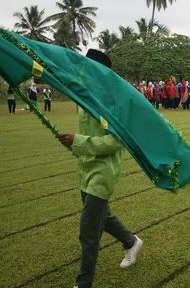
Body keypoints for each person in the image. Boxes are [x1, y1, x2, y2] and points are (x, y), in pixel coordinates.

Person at [56, 49, 142, 288]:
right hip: (86, 167)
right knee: (101, 217)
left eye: (87, 68)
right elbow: (86, 135)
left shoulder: (114, 102)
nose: (83, 71)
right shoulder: (84, 99)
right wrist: (73, 144)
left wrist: (78, 141)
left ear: (101, 72)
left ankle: (83, 284)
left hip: (104, 171)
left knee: (88, 232)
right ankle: (130, 241)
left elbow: (116, 141)